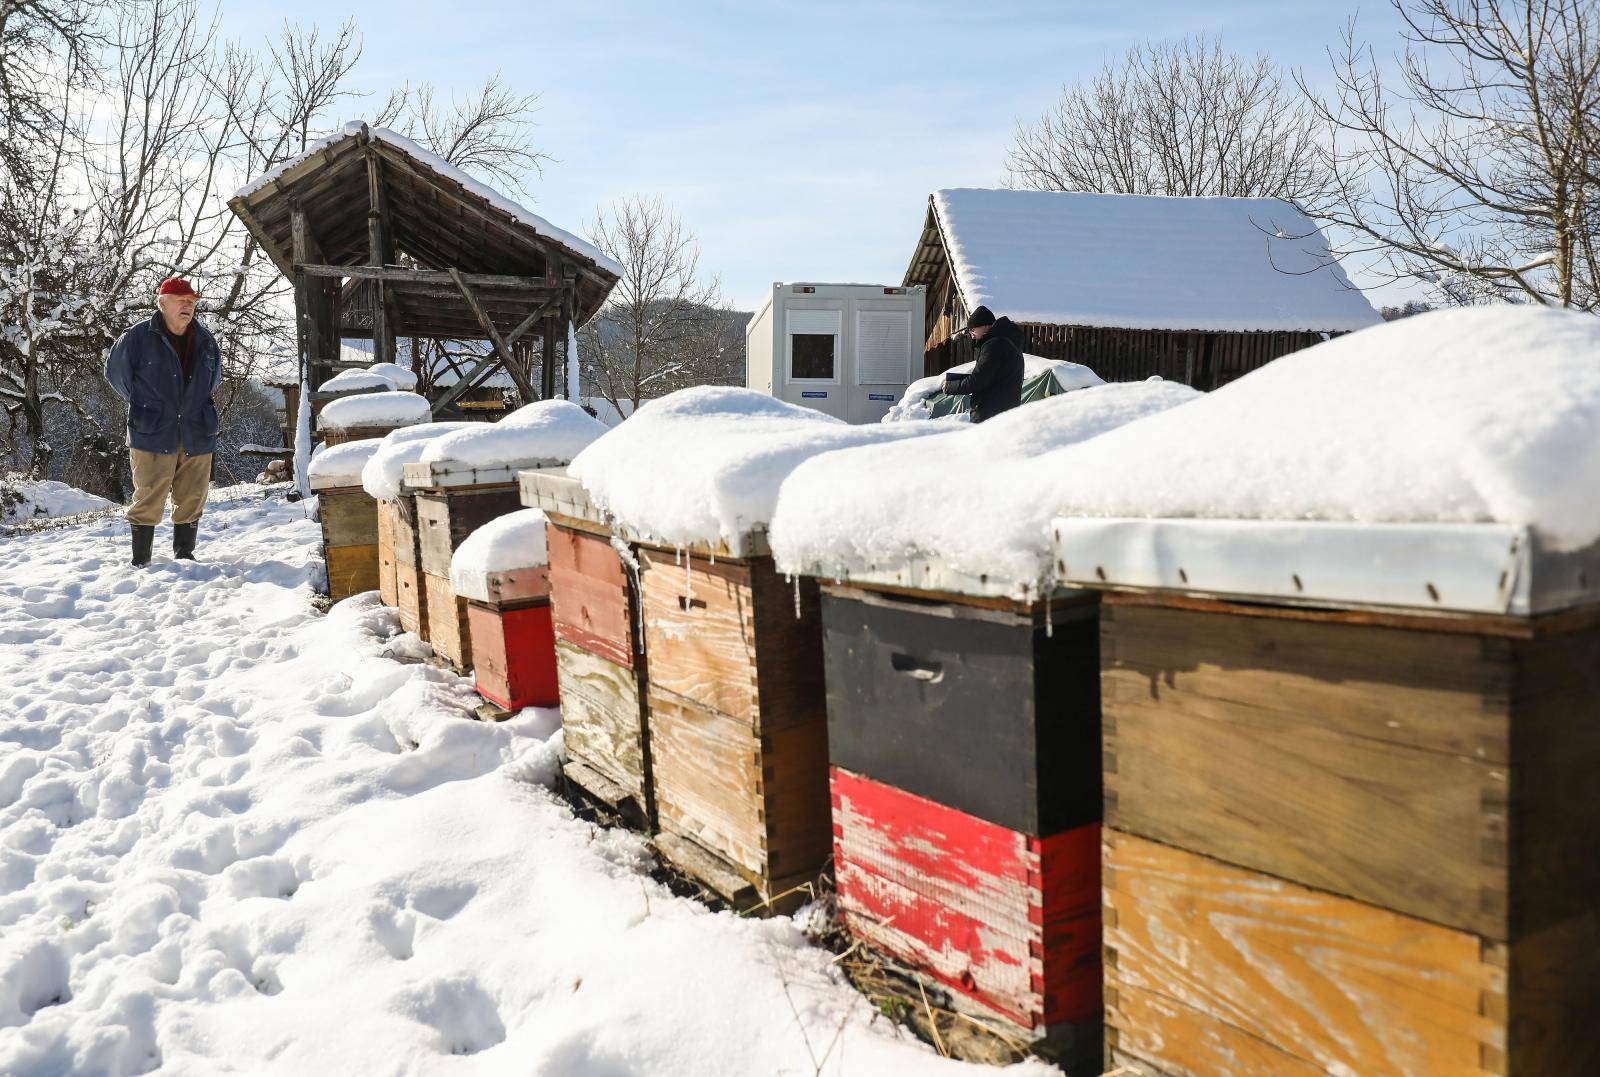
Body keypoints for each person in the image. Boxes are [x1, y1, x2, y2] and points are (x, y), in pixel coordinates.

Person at [104, 277, 222, 566]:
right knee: (148, 495)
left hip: (197, 428)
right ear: (162, 303)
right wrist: (147, 405)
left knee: (193, 496)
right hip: (152, 431)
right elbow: (116, 374)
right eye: (180, 300)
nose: (187, 305)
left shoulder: (206, 340)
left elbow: (213, 379)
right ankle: (141, 560)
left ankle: (184, 556)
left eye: (192, 301)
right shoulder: (137, 337)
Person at [942, 305, 1024, 423]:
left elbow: (979, 379)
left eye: (973, 329)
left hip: (990, 413)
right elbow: (990, 377)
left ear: (985, 326)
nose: (971, 334)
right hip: (1004, 411)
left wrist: (952, 386)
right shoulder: (1008, 341)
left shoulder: (993, 345)